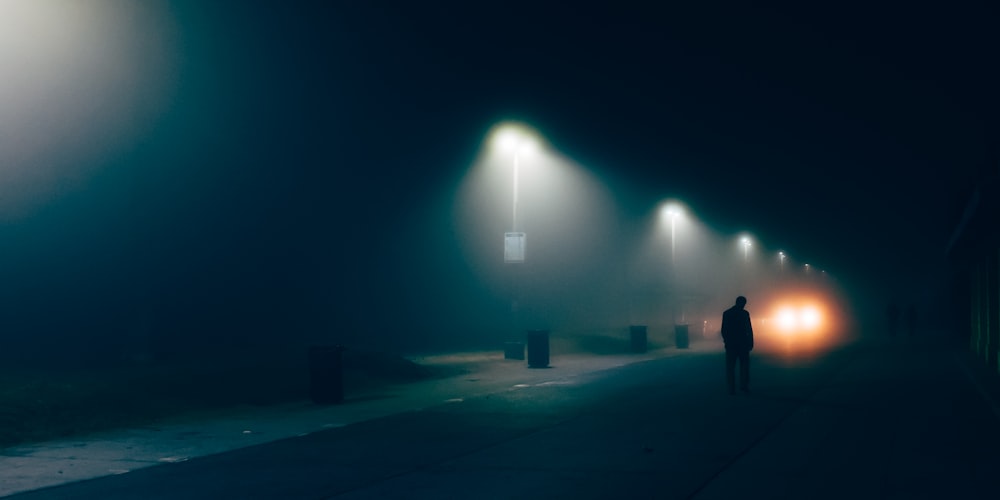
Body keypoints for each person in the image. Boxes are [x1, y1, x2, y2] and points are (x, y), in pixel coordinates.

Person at [721, 296, 754, 395]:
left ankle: (731, 388)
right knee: (744, 366)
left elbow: (724, 330)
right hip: (743, 344)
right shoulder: (744, 314)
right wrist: (751, 342)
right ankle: (743, 385)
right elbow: (749, 329)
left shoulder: (727, 313)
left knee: (730, 367)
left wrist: (727, 341)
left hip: (731, 344)